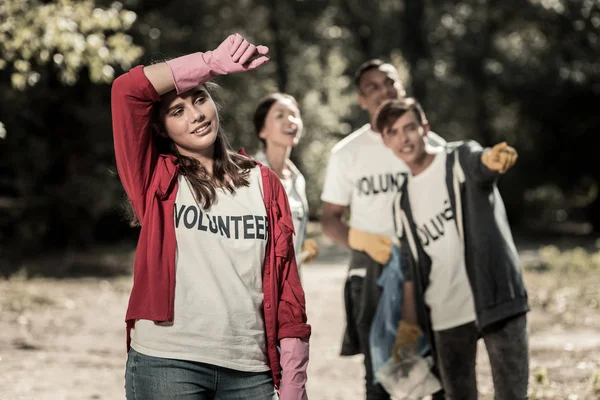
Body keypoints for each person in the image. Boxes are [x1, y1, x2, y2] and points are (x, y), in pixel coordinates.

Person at [111, 33, 310, 400]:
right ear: (161, 128)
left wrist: (295, 384)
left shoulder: (264, 183)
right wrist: (209, 63)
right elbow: (127, 90)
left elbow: (287, 290)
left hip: (251, 371)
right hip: (168, 363)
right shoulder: (156, 178)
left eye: (200, 98)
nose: (196, 115)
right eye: (177, 111)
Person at [375, 98, 529, 400]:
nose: (403, 138)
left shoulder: (458, 159)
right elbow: (409, 266)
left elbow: (480, 163)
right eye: (393, 132)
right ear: (385, 140)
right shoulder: (401, 202)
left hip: (496, 298)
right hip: (446, 314)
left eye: (409, 128)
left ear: (425, 128)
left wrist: (491, 160)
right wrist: (408, 325)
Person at [319, 59, 444, 399]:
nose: (383, 91)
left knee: (440, 370)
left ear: (401, 88)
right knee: (382, 378)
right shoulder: (347, 152)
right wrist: (359, 240)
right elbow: (329, 217)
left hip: (429, 268)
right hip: (372, 272)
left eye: (389, 82)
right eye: (371, 87)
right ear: (361, 100)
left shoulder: (429, 143)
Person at [253, 93, 319, 268]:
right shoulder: (249, 176)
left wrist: (301, 246)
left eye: (294, 114)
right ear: (262, 130)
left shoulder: (297, 179)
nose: (290, 120)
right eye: (279, 115)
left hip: (290, 287)